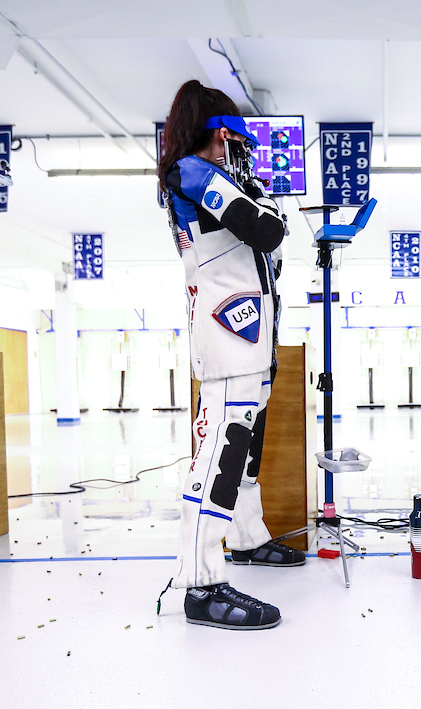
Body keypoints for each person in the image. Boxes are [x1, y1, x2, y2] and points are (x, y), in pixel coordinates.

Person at [157, 81, 303, 631]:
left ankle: (237, 547)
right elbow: (266, 230)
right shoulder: (191, 173)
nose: (236, 151)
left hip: (247, 337)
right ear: (217, 132)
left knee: (236, 451)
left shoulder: (211, 177)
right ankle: (201, 585)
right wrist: (266, 202)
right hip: (225, 337)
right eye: (231, 139)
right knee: (217, 461)